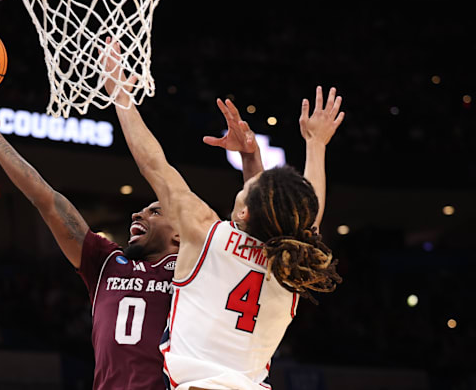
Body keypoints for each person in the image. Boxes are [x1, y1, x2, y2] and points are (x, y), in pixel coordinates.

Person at [0, 88, 265, 390]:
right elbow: (45, 198)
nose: (136, 216)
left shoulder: (195, 268)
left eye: (154, 212)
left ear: (182, 233)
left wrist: (251, 159)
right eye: (140, 211)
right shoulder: (106, 263)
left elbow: (253, 235)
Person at [103, 41, 343, 389]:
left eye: (246, 188)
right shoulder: (293, 263)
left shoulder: (206, 234)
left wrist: (119, 89)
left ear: (244, 212)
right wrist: (314, 145)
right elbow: (307, 217)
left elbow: (153, 163)